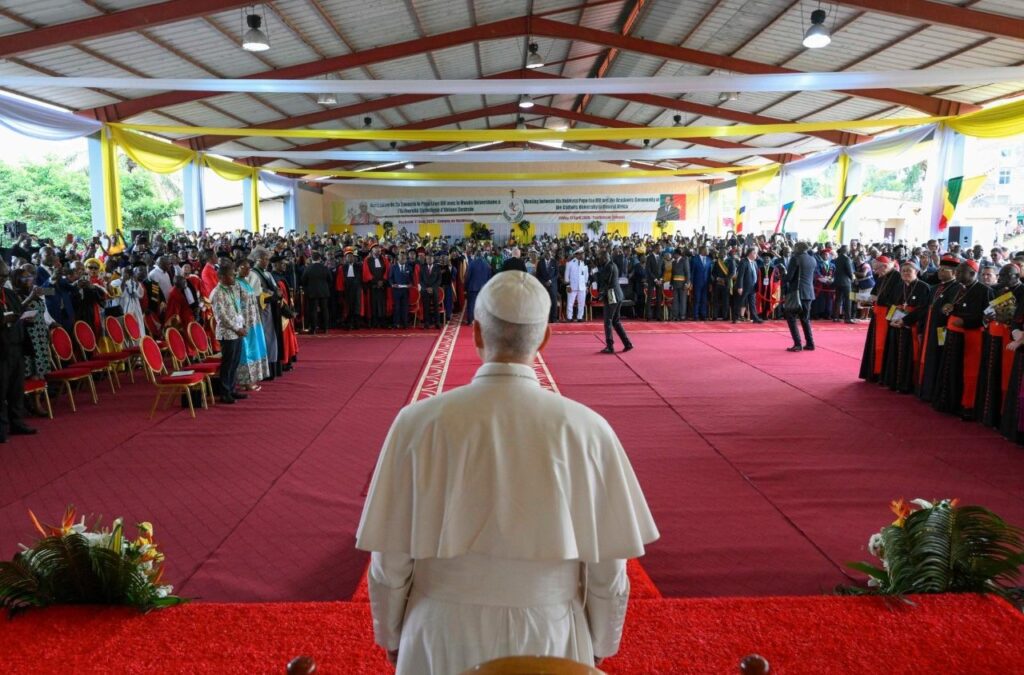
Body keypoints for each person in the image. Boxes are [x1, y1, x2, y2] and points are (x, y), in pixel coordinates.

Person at [356, 271, 658, 674]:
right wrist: (602, 640)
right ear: (546, 338)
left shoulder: (417, 423)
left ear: (477, 334)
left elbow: (390, 561)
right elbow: (608, 570)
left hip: (441, 631)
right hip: (550, 634)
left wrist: (391, 635)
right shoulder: (587, 428)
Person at [932, 260, 993, 419]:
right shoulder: (959, 288)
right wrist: (948, 308)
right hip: (954, 335)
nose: (956, 275)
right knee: (952, 369)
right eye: (957, 272)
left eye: (960, 272)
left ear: (972, 274)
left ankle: (968, 406)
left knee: (969, 372)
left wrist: (966, 322)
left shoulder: (984, 291)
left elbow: (988, 317)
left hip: (972, 337)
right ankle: (950, 403)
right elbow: (955, 306)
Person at [878, 261, 930, 392]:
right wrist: (891, 318)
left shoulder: (923, 287)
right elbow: (891, 304)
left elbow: (923, 309)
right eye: (903, 271)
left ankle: (907, 385)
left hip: (912, 326)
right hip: (896, 325)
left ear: (916, 272)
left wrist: (905, 321)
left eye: (909, 270)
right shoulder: (898, 286)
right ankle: (895, 382)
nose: (906, 273)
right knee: (895, 353)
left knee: (908, 356)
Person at [0, 260, 37, 440]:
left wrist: (24, 317)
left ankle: (17, 423)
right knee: (1, 389)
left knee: (16, 389)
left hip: (17, 346)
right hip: (1, 349)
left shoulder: (8, 293)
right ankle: (1, 429)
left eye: (5, 276)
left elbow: (19, 310)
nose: (3, 279)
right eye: (1, 276)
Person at [210, 260, 248, 405]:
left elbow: (236, 308)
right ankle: (225, 393)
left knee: (235, 362)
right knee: (228, 364)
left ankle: (232, 389)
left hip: (237, 331)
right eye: (232, 275)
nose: (235, 277)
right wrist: (237, 328)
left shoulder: (231, 289)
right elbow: (221, 317)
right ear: (223, 277)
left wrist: (241, 324)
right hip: (227, 333)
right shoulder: (217, 293)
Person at [235, 259, 270, 390]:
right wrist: (240, 323)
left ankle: (252, 378)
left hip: (254, 320)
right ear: (237, 268)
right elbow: (236, 305)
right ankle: (246, 380)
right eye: (244, 267)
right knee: (246, 350)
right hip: (245, 322)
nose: (247, 270)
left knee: (254, 347)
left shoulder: (246, 282)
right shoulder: (236, 283)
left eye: (249, 267)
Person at [596, 250, 634, 354]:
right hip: (618, 295)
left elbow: (606, 282)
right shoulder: (613, 265)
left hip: (612, 296)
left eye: (600, 258)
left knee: (608, 321)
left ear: (604, 258)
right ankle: (627, 343)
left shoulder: (608, 267)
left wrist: (600, 294)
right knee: (616, 321)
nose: (599, 260)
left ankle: (610, 346)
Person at [784, 242, 816, 351]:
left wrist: (782, 274)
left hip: (797, 293)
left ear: (798, 248)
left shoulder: (795, 259)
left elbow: (789, 277)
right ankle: (810, 343)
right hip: (809, 293)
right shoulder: (813, 259)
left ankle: (797, 344)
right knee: (805, 319)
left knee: (791, 317)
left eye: (794, 247)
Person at [301, 252, 332, 334]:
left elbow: (303, 281)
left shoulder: (308, 268)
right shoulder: (325, 268)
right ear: (320, 258)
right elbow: (330, 279)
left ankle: (313, 329)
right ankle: (325, 328)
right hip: (324, 291)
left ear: (312, 258)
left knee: (313, 311)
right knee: (325, 310)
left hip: (312, 292)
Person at [734, 247, 763, 324]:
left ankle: (755, 318)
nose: (756, 255)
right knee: (740, 302)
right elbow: (740, 275)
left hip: (753, 286)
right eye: (755, 253)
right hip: (744, 286)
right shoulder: (744, 262)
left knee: (752, 303)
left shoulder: (755, 262)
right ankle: (736, 318)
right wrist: (740, 287)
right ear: (750, 253)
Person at [362, 244, 389, 328]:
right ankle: (374, 322)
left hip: (382, 286)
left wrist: (383, 281)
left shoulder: (384, 259)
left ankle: (383, 322)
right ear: (372, 250)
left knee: (382, 304)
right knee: (373, 304)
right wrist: (376, 282)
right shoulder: (367, 260)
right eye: (376, 248)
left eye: (379, 248)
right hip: (372, 286)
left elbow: (387, 271)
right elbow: (366, 273)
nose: (378, 250)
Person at [335, 248, 363, 330]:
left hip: (357, 288)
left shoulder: (359, 266)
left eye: (351, 256)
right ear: (345, 258)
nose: (350, 258)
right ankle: (349, 323)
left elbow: (362, 277)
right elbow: (340, 280)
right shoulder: (342, 267)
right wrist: (341, 290)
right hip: (347, 288)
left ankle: (357, 323)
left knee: (357, 305)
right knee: (348, 306)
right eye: (348, 256)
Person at [463, 249, 490, 325]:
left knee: (471, 305)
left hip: (472, 288)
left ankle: (470, 321)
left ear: (475, 256)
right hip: (483, 288)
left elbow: (467, 277)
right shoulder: (487, 264)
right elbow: (489, 277)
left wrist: (465, 287)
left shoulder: (472, 264)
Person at [389, 251, 414, 329]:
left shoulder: (409, 267)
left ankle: (405, 324)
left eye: (404, 258)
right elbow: (390, 278)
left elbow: (411, 279)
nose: (403, 259)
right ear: (398, 258)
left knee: (405, 307)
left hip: (406, 290)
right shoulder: (393, 267)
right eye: (401, 257)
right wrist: (392, 284)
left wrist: (410, 283)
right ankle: (396, 323)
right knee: (397, 307)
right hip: (396, 290)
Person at [535, 248, 560, 323]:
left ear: (551, 254)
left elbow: (557, 274)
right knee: (543, 302)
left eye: (549, 253)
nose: (548, 255)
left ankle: (554, 319)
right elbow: (538, 275)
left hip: (553, 285)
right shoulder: (540, 262)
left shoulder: (554, 262)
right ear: (544, 254)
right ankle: (543, 319)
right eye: (547, 253)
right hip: (543, 285)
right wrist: (544, 282)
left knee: (554, 302)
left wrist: (550, 281)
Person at [832, 245, 855, 323]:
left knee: (837, 300)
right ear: (847, 250)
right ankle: (847, 318)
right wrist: (853, 279)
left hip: (837, 281)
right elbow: (849, 271)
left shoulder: (837, 259)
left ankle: (835, 317)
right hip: (846, 282)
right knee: (848, 300)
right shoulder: (847, 259)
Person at [565, 247, 588, 322]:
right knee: (570, 303)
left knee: (581, 303)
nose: (583, 256)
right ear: (577, 255)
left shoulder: (584, 264)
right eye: (582, 254)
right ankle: (569, 317)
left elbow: (585, 276)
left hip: (582, 287)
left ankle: (580, 317)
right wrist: (568, 285)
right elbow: (566, 275)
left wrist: (586, 286)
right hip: (572, 286)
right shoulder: (570, 263)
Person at [690, 245, 712, 320]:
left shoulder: (709, 259)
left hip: (706, 283)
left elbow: (709, 273)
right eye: (707, 250)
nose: (708, 251)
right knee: (697, 299)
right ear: (702, 250)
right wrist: (691, 283)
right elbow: (692, 272)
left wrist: (710, 284)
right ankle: (695, 315)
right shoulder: (694, 259)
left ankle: (703, 315)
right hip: (697, 283)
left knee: (704, 299)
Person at [669, 247, 690, 321]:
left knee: (682, 300)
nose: (673, 255)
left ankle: (682, 315)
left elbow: (687, 273)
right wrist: (671, 283)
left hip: (682, 284)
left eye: (673, 254)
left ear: (677, 254)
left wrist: (686, 283)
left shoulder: (684, 260)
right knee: (675, 300)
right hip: (675, 283)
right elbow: (672, 274)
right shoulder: (674, 262)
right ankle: (675, 315)